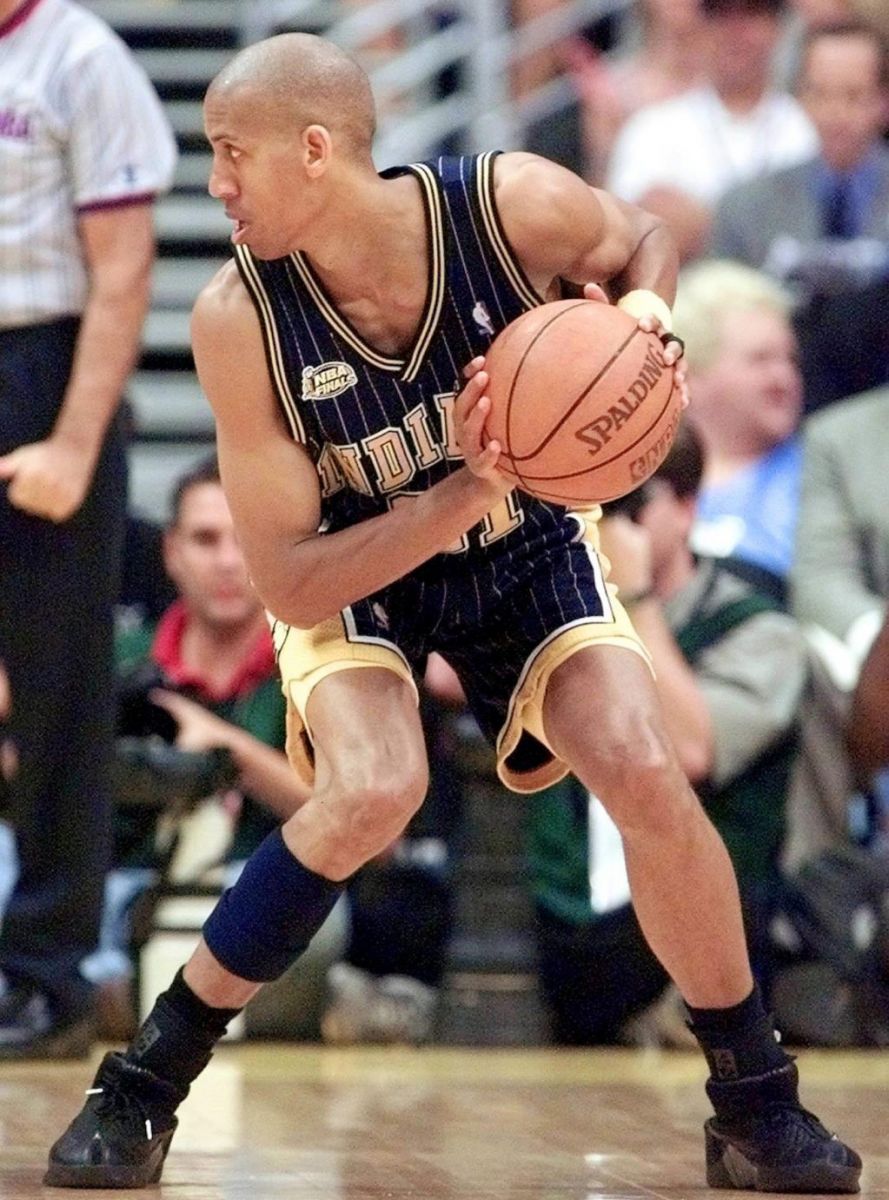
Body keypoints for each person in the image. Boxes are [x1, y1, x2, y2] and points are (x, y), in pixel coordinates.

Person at [46, 32, 859, 1193]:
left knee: (640, 764)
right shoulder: (242, 321)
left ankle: (753, 1103)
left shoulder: (506, 204)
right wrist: (458, 489)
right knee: (374, 788)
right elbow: (285, 576)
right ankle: (143, 1083)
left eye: (232, 155)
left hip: (522, 542)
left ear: (316, 151)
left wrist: (645, 321)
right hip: (355, 563)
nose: (215, 184)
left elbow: (644, 240)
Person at [0, 0, 177, 1058]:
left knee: (59, 686)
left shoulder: (81, 57)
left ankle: (46, 975)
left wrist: (72, 441)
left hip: (46, 367)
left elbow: (124, 269)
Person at [529, 424, 809, 1045]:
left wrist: (635, 598)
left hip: (712, 924)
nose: (605, 528)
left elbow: (690, 751)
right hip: (573, 927)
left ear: (686, 509)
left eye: (630, 507)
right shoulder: (562, 606)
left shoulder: (760, 630)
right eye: (591, 508)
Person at [710, 20, 889, 410]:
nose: (836, 113)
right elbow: (720, 325)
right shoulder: (747, 207)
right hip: (778, 405)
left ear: (883, 100)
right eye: (820, 93)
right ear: (799, 97)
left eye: (854, 95)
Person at [606, 0, 817, 262]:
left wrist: (702, 222)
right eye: (721, 16)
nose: (736, 31)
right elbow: (629, 232)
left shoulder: (807, 127)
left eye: (751, 15)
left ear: (778, 27)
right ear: (702, 28)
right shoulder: (653, 127)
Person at [673, 260, 804, 592]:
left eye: (790, 359)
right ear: (690, 374)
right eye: (760, 359)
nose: (784, 378)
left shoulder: (821, 475)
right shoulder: (645, 479)